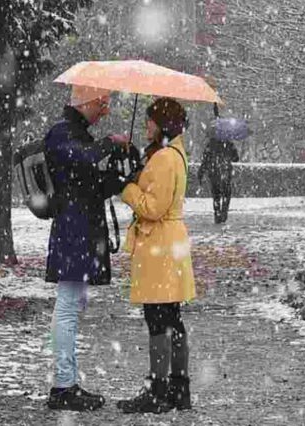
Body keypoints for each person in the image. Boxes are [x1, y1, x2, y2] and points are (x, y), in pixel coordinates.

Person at [43, 85, 130, 412]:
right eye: (103, 104)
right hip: (73, 232)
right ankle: (63, 386)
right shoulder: (63, 134)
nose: (105, 111)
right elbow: (82, 160)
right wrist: (110, 143)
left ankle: (67, 382)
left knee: (72, 305)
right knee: (67, 306)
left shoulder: (77, 134)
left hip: (80, 231)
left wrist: (123, 174)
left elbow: (94, 186)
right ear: (86, 102)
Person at [118, 97, 196, 414]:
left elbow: (153, 207)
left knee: (157, 320)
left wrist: (127, 188)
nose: (146, 125)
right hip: (169, 244)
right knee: (171, 318)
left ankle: (158, 390)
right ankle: (178, 387)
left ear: (162, 123)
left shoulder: (164, 157)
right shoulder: (173, 153)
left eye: (151, 120)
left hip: (159, 245)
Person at [198, 137, 239, 223]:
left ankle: (217, 214)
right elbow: (236, 158)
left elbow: (205, 160)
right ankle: (224, 212)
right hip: (225, 173)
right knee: (226, 194)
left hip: (214, 174)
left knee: (216, 196)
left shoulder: (211, 144)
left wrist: (201, 173)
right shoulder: (229, 143)